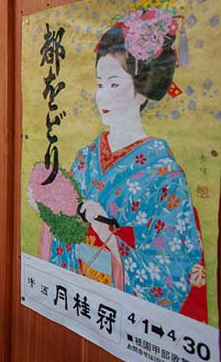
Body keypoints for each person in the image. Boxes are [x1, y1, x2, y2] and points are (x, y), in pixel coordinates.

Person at [32, 18, 207, 322]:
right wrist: (50, 211)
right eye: (99, 85)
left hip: (122, 315)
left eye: (114, 84)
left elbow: (172, 273)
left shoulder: (163, 173)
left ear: (142, 91)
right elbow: (68, 232)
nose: (103, 95)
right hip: (80, 300)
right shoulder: (87, 158)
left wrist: (107, 235)